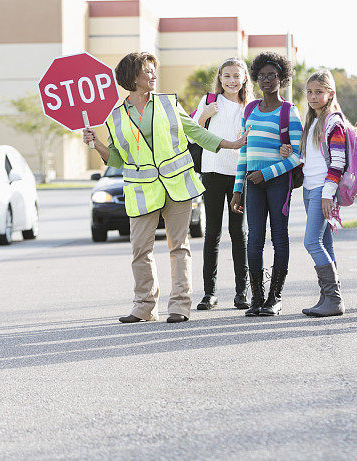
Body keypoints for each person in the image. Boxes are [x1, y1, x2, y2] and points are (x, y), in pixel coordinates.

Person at [82, 52, 249, 324]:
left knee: (178, 247)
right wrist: (96, 143)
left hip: (177, 185)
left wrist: (231, 144)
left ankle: (180, 306)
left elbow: (195, 132)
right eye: (147, 71)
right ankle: (144, 306)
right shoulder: (114, 117)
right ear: (132, 77)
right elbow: (116, 158)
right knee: (139, 250)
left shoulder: (169, 103)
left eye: (153, 70)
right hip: (142, 190)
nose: (153, 75)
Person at [230, 51, 301, 317]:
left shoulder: (289, 112)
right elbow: (244, 153)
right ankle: (257, 298)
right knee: (254, 240)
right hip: (252, 184)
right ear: (257, 79)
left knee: (279, 238)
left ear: (282, 78)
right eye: (262, 76)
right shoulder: (250, 110)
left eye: (272, 75)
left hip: (277, 183)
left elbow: (296, 156)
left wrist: (267, 174)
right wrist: (239, 187)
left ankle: (275, 297)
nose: (267, 80)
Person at [193, 58, 254, 311]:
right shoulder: (209, 102)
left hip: (240, 174)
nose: (231, 81)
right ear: (220, 77)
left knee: (239, 233)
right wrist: (203, 116)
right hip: (213, 171)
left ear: (244, 79)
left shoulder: (251, 106)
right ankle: (210, 293)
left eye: (236, 76)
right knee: (213, 233)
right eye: (226, 76)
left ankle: (242, 292)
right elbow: (191, 132)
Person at [289, 69, 349, 317]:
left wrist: (328, 193)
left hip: (322, 190)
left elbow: (337, 162)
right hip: (310, 187)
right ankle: (329, 298)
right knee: (325, 242)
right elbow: (312, 158)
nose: (313, 97)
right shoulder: (312, 120)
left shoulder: (333, 121)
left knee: (311, 241)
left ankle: (334, 299)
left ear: (330, 93)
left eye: (319, 92)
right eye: (310, 92)